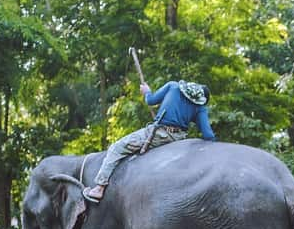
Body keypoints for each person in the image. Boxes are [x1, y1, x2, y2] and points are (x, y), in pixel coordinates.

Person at [82, 80, 215, 203]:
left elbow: (151, 100)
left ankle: (99, 188)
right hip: (178, 139)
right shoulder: (200, 107)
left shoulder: (173, 86)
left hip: (158, 134)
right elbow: (208, 135)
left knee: (116, 148)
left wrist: (146, 92)